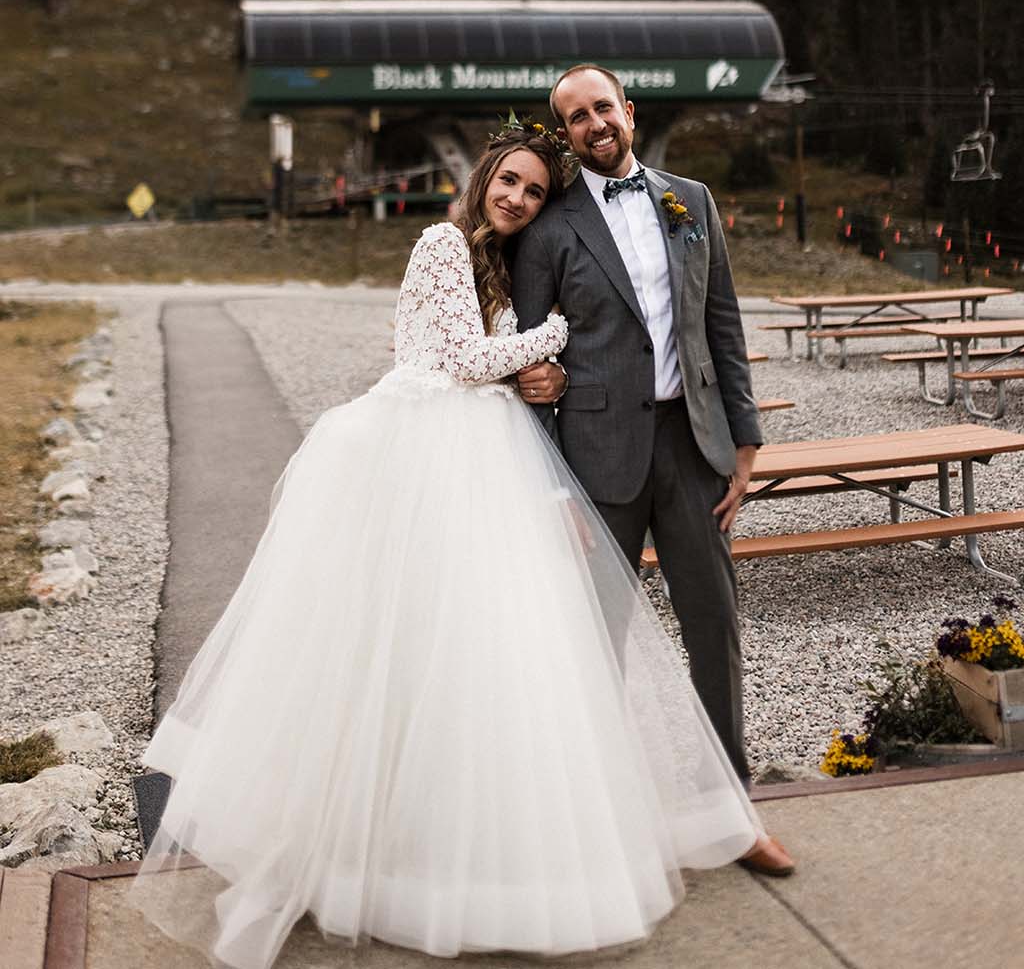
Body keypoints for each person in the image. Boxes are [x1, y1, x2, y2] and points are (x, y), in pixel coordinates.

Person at [130, 122, 763, 969]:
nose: (518, 199)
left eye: (534, 192)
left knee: (478, 662)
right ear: (483, 178)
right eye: (509, 183)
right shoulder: (440, 240)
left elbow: (500, 358)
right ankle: (372, 848)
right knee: (402, 652)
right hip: (425, 451)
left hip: (483, 449)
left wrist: (546, 374)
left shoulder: (504, 257)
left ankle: (465, 849)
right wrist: (558, 342)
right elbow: (465, 359)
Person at [511, 65, 794, 877]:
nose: (593, 123)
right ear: (564, 136)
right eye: (575, 118)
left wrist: (745, 442)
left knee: (715, 631)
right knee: (597, 645)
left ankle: (736, 817)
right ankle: (599, 830)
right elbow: (534, 354)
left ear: (628, 112)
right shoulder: (549, 228)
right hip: (597, 463)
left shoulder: (691, 200)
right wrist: (554, 481)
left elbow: (722, 323)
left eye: (603, 107)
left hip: (694, 448)